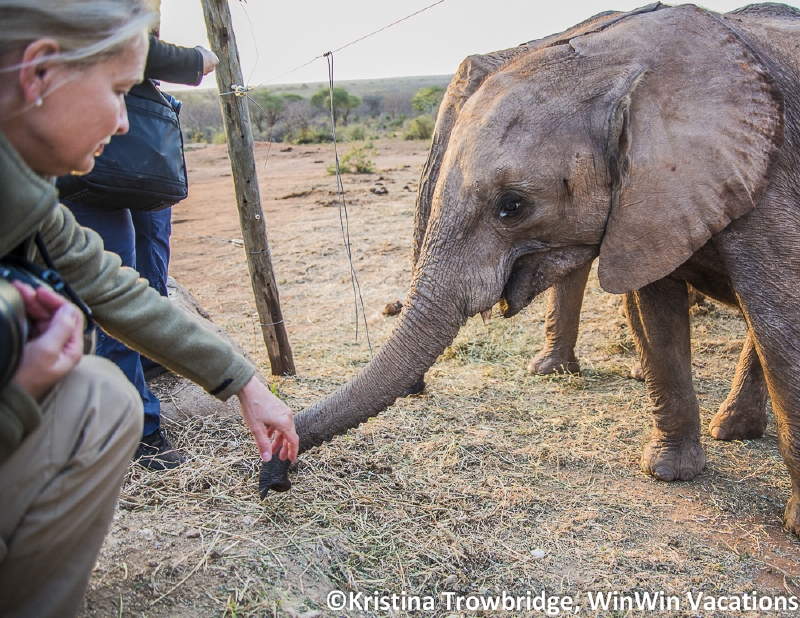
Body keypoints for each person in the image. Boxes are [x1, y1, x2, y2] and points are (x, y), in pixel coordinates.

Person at [0, 2, 298, 616]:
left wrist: (244, 384)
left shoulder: (25, 196)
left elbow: (111, 286)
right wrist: (17, 394)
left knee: (99, 398)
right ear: (38, 73)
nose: (124, 121)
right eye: (118, 91)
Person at [61, 34, 221, 470]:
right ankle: (136, 428)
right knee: (115, 286)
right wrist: (195, 60)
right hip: (84, 138)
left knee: (152, 252)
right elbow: (117, 40)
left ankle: (148, 356)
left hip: (139, 138)